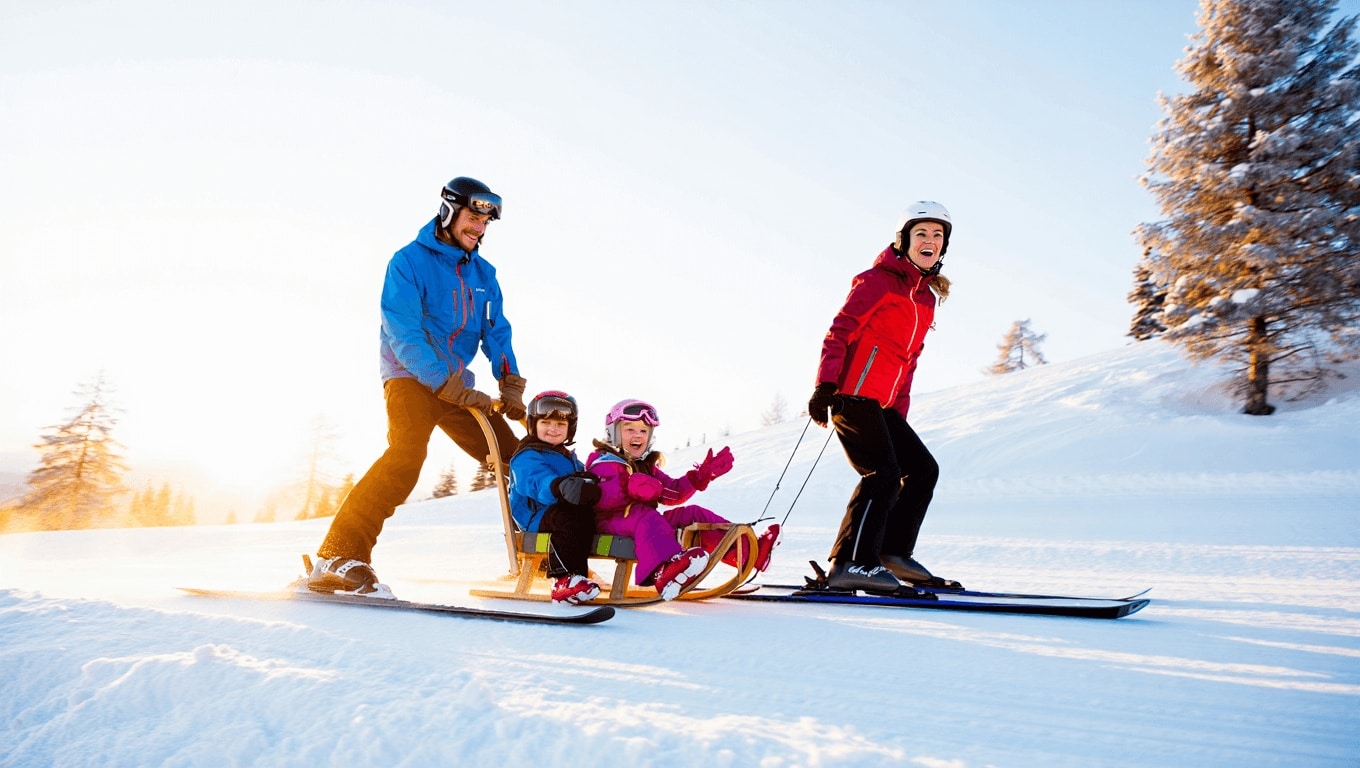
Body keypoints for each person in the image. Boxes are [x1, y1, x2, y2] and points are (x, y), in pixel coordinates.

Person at [307, 176, 528, 597]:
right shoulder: (408, 262)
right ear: (448, 212)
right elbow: (403, 331)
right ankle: (338, 555)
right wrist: (444, 383)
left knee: (516, 461)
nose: (479, 229)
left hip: (457, 387)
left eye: (485, 223)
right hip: (410, 378)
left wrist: (510, 382)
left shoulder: (483, 274)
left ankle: (544, 557)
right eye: (472, 218)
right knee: (407, 453)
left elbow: (496, 331)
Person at [807, 201, 954, 594]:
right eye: (921, 233)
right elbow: (840, 331)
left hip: (883, 406)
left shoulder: (924, 300)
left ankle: (891, 553)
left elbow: (909, 361)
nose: (930, 241)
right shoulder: (878, 281)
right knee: (882, 475)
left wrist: (899, 413)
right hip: (851, 396)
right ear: (903, 240)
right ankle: (849, 564)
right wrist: (825, 386)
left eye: (937, 236)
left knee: (923, 470)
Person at [586, 399, 780, 600]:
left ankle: (751, 554)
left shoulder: (646, 466)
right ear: (613, 432)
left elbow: (673, 493)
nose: (637, 435)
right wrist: (631, 488)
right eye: (630, 429)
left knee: (693, 513)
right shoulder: (603, 462)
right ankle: (663, 572)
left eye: (644, 431)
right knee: (644, 515)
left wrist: (700, 477)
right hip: (608, 523)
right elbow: (604, 500)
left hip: (642, 522)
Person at [507, 391, 602, 605]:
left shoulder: (567, 456)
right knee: (570, 516)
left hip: (560, 511)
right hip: (536, 516)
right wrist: (558, 486)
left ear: (571, 427)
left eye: (560, 424)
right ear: (534, 424)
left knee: (585, 514)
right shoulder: (527, 455)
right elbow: (534, 481)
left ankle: (578, 577)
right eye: (546, 422)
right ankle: (563, 579)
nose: (553, 429)